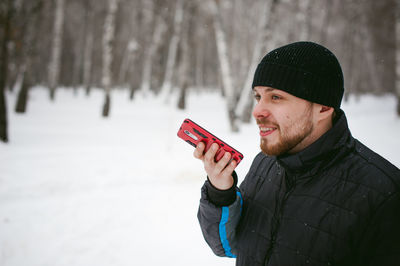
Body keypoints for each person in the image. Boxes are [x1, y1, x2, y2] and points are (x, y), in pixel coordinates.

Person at [194, 41, 400, 266]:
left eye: (276, 97)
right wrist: (221, 192)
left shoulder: (384, 195)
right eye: (258, 97)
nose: (257, 111)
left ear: (323, 107)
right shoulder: (265, 164)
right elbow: (229, 245)